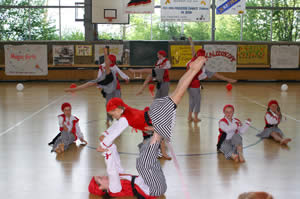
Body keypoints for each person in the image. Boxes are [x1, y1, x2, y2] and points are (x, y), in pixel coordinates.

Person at [93, 55, 207, 197]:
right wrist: (104, 143)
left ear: (118, 109)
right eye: (100, 179)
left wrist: (106, 145)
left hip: (153, 119)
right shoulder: (114, 189)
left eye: (113, 114)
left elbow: (113, 155)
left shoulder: (125, 117)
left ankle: (192, 71)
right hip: (154, 189)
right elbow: (115, 136)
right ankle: (192, 71)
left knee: (177, 94)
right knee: (177, 94)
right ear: (102, 188)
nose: (103, 176)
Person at [187, 37, 237, 122]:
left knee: (192, 100)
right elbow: (217, 75)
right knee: (197, 101)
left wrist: (191, 41)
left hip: (188, 85)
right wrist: (229, 80)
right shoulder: (201, 66)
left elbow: (192, 50)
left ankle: (189, 116)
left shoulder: (193, 60)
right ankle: (195, 117)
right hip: (194, 85)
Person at [65, 47, 119, 125]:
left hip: (111, 88)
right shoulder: (103, 72)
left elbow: (115, 72)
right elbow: (92, 82)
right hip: (106, 86)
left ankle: (115, 118)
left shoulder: (112, 70)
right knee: (108, 103)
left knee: (112, 104)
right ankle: (109, 119)